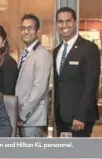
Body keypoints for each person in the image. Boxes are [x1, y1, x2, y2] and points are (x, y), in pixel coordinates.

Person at [53, 7, 100, 137]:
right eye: (60, 21)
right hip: (61, 117)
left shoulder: (89, 48)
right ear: (57, 24)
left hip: (79, 120)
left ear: (75, 22)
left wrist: (81, 115)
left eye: (68, 21)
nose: (64, 25)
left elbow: (91, 85)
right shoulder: (57, 51)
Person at [15, 14, 52, 137]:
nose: (26, 31)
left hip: (32, 118)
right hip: (23, 117)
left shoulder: (42, 54)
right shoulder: (25, 52)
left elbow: (39, 89)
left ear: (37, 31)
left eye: (30, 28)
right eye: (23, 28)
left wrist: (22, 114)